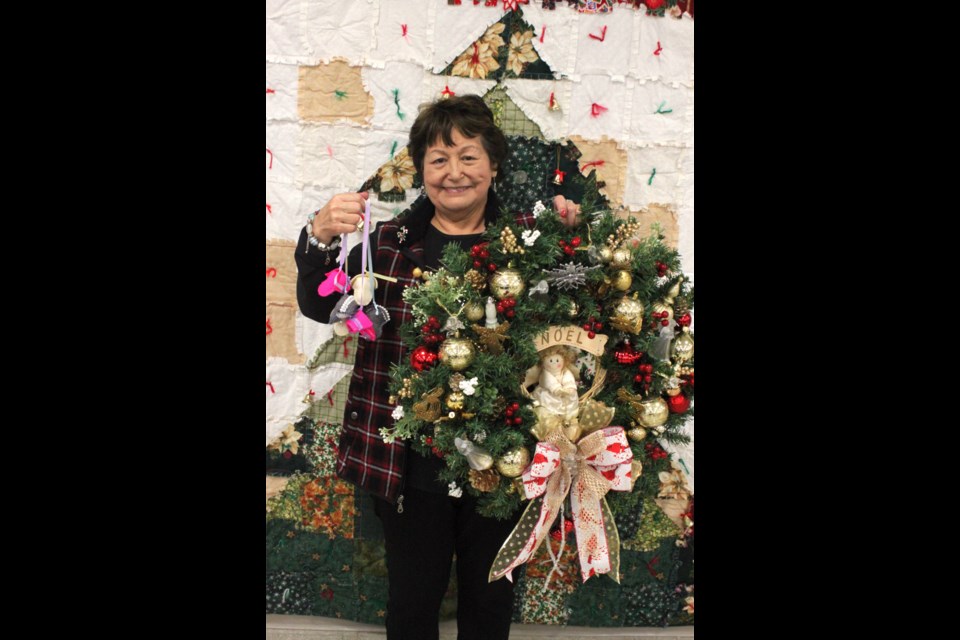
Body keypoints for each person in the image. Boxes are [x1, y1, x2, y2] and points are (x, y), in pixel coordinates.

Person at [295, 95, 580, 640]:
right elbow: (317, 301)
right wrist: (321, 235)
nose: (455, 174)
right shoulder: (385, 246)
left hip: (507, 461)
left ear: (493, 165)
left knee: (490, 604)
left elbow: (582, 313)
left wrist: (576, 231)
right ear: (421, 170)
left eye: (468, 157)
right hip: (407, 467)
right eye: (438, 159)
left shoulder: (529, 242)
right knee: (411, 606)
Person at [531, 345, 580, 419]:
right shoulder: (545, 373)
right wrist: (556, 388)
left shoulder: (565, 371)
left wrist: (569, 387)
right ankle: (550, 415)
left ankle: (569, 414)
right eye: (550, 361)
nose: (554, 363)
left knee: (572, 395)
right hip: (550, 391)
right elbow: (548, 381)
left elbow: (568, 377)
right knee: (545, 397)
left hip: (564, 391)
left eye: (557, 360)